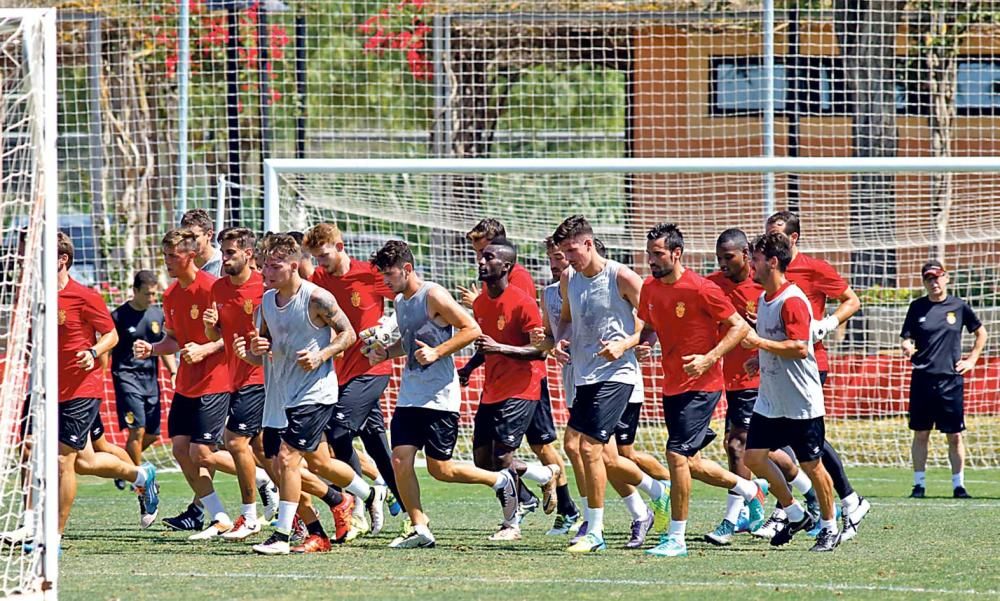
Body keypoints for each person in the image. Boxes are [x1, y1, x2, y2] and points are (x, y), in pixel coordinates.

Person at [367, 240, 520, 549]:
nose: (385, 281)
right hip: (410, 394)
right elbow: (409, 346)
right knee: (400, 459)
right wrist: (385, 353)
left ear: (407, 269)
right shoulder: (400, 302)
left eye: (390, 274)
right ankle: (419, 527)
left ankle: (501, 481)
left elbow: (471, 329)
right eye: (383, 274)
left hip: (440, 395)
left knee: (441, 469)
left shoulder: (433, 294)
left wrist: (437, 352)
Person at [243, 233, 386, 556]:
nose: (266, 273)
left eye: (274, 266)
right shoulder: (266, 302)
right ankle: (348, 502)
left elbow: (348, 334)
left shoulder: (316, 298)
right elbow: (261, 351)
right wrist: (253, 350)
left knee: (287, 460)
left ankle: (281, 535)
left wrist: (322, 356)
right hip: (279, 395)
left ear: (293, 266)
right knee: (302, 465)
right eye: (264, 266)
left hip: (315, 391)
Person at [635, 223, 765, 558]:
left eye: (657, 254)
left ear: (676, 254)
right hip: (672, 384)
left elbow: (738, 327)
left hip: (703, 385)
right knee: (690, 462)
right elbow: (648, 327)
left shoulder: (702, 288)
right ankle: (748, 488)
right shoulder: (649, 288)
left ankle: (676, 537)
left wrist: (709, 359)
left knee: (675, 455)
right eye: (649, 254)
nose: (651, 260)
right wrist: (638, 344)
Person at [707, 229, 822, 543]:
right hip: (733, 378)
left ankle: (738, 515)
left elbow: (796, 342)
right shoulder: (716, 284)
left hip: (760, 384)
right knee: (761, 452)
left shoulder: (771, 290)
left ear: (748, 256)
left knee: (739, 447)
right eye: (718, 259)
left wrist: (757, 341)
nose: (723, 264)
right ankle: (804, 496)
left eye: (728, 257)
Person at [766, 211, 870, 541]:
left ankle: (815, 506)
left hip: (809, 362)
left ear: (794, 238)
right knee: (779, 441)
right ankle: (835, 502)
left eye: (778, 235)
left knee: (800, 438)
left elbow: (852, 301)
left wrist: (826, 324)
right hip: (775, 362)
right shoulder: (767, 270)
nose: (772, 240)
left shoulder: (814, 268)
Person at [458, 218, 570, 525]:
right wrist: (467, 368)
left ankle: (552, 512)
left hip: (525, 384)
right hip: (494, 386)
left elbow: (537, 346)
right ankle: (531, 491)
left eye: (485, 253)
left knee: (535, 446)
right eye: (478, 253)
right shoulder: (482, 299)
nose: (479, 259)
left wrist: (500, 349)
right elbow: (489, 342)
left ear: (505, 260)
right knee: (484, 459)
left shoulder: (520, 288)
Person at [741, 232, 841, 552]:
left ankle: (829, 526)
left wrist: (759, 344)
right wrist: (759, 358)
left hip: (800, 401)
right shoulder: (764, 298)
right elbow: (776, 342)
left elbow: (799, 347)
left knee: (813, 466)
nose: (750, 264)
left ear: (772, 262)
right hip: (771, 400)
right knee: (754, 457)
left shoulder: (793, 299)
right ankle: (796, 513)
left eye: (755, 259)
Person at [303, 222, 404, 540]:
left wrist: (388, 328)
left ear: (340, 246)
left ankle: (358, 506)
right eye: (316, 258)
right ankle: (410, 512)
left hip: (373, 369)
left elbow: (405, 298)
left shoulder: (370, 274)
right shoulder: (318, 279)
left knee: (337, 433)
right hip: (341, 374)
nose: (322, 263)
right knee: (377, 446)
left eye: (325, 255)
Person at [134, 228, 236, 539]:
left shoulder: (213, 288)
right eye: (165, 256)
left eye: (173, 256)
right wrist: (152, 348)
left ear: (190, 255)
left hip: (216, 380)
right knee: (180, 450)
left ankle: (261, 478)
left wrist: (206, 347)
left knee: (202, 452)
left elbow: (230, 336)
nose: (167, 262)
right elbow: (174, 340)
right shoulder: (170, 295)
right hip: (186, 384)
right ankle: (219, 516)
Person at [57, 232, 159, 537]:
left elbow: (109, 336)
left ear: (62, 259)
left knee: (67, 459)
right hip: (51, 390)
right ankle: (141, 475)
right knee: (87, 459)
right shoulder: (33, 294)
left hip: (82, 390)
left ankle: (51, 535)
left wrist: (93, 355)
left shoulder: (85, 296)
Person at [203, 227, 280, 540]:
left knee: (234, 441)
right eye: (223, 252)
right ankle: (324, 503)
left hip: (261, 377)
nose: (225, 258)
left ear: (249, 254)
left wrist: (261, 350)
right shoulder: (219, 289)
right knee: (264, 452)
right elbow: (216, 335)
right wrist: (210, 328)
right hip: (236, 378)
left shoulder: (265, 288)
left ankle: (249, 516)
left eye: (231, 252)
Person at [901, 260, 988, 499]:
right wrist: (907, 346)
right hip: (922, 379)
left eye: (937, 277)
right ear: (924, 282)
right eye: (929, 278)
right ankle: (918, 485)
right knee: (920, 433)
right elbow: (906, 338)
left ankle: (958, 485)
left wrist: (971, 360)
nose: (934, 282)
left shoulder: (959, 307)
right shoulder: (917, 307)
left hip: (950, 380)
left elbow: (981, 332)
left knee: (955, 435)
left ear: (946, 277)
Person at [111, 271, 176, 469]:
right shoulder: (118, 316)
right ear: (135, 291)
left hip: (150, 380)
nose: (151, 298)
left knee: (153, 434)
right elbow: (108, 347)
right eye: (147, 294)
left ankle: (123, 463)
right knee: (137, 430)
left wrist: (173, 371)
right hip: (126, 377)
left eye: (154, 294)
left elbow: (164, 346)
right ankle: (139, 482)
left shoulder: (157, 315)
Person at [180, 209, 222, 276]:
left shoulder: (223, 265)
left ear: (209, 235)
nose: (189, 242)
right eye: (185, 236)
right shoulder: (181, 265)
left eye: (194, 237)